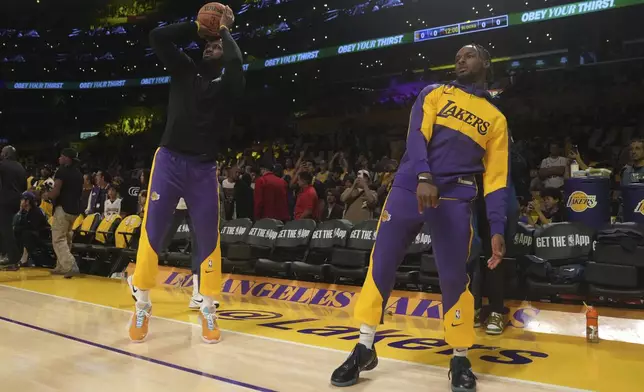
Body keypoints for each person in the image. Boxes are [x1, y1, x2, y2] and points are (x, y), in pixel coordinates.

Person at [330, 44, 509, 392]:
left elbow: (497, 178)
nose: (460, 58)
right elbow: (416, 136)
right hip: (410, 188)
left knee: (455, 278)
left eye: (469, 55)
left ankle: (459, 357)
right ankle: (364, 347)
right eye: (457, 55)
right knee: (380, 264)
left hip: (456, 196)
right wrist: (425, 177)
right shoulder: (433, 93)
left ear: (486, 62)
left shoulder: (496, 119)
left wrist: (498, 226)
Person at [127, 5, 243, 344]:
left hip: (204, 168)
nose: (211, 47)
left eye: (216, 45)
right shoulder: (185, 69)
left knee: (208, 239)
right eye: (207, 44)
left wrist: (223, 30)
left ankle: (209, 308)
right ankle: (143, 303)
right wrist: (198, 27)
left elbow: (235, 62)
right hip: (169, 161)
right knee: (153, 232)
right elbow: (158, 36)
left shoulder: (229, 82)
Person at [47, 148, 84, 277]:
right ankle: (61, 266)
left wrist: (46, 195)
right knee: (67, 238)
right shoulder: (79, 174)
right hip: (74, 210)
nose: (59, 158)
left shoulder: (62, 171)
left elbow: (56, 191)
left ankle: (70, 264)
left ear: (68, 158)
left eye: (62, 156)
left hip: (63, 208)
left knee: (58, 238)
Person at [0, 146, 27, 270]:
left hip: (5, 200)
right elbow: (24, 186)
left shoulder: (3, 165)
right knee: (9, 229)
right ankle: (8, 255)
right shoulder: (20, 167)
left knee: (6, 230)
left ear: (5, 154)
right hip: (17, 200)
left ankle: (12, 257)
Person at [14, 191, 52, 268]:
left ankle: (24, 259)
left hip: (43, 234)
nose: (20, 201)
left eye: (22, 199)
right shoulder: (24, 212)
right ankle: (18, 256)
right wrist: (20, 212)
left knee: (26, 233)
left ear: (27, 201)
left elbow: (33, 226)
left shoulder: (36, 211)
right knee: (16, 231)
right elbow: (16, 223)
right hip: (33, 233)